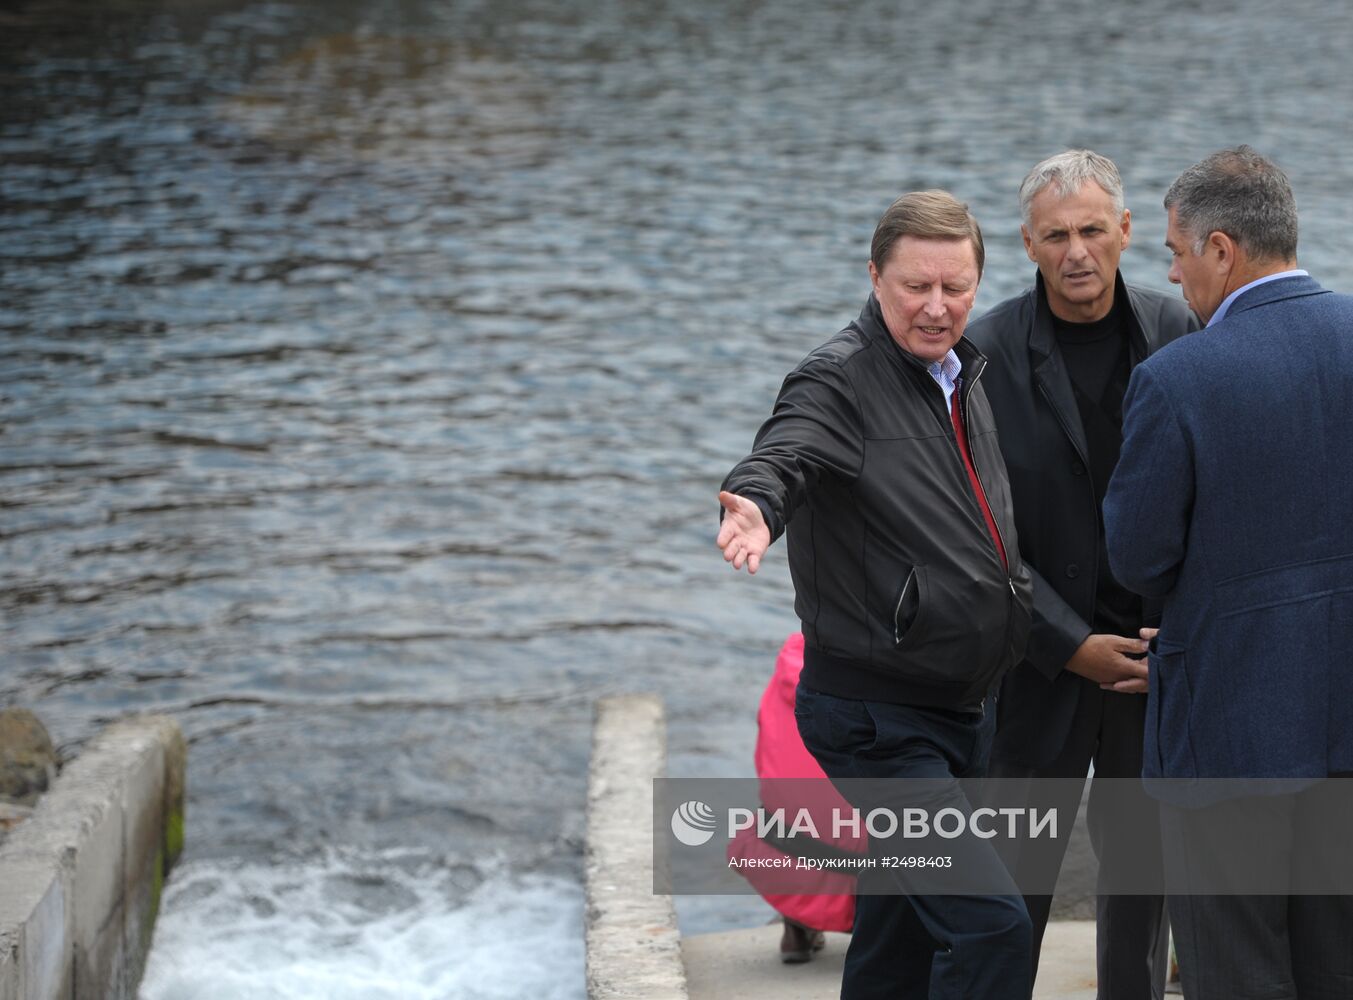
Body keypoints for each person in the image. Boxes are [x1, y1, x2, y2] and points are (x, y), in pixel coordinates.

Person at [717, 189, 1034, 999]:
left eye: (954, 287)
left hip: (962, 706)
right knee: (992, 925)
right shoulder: (839, 379)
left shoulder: (961, 374)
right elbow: (787, 449)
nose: (935, 307)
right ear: (874, 277)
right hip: (877, 721)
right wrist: (756, 502)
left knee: (895, 937)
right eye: (914, 286)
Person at [1104, 146, 1353, 1000]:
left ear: (1220, 249)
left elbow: (1136, 555)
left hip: (1227, 730)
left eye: (1173, 252)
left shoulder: (1178, 378)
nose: (1170, 275)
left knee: (1234, 971)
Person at [964, 149, 1197, 998]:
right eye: (1055, 234)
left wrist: (1170, 635)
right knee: (1007, 901)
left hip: (1149, 662)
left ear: (1125, 232)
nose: (1076, 252)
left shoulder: (1180, 330)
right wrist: (1067, 645)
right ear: (1026, 243)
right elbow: (976, 535)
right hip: (1033, 666)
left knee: (1140, 900)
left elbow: (1211, 503)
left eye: (1092, 230)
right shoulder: (980, 355)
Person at [725, 633, 857, 962]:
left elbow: (765, 762)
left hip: (776, 862)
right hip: (855, 885)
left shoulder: (785, 670)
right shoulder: (871, 675)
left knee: (784, 809)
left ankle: (796, 930)